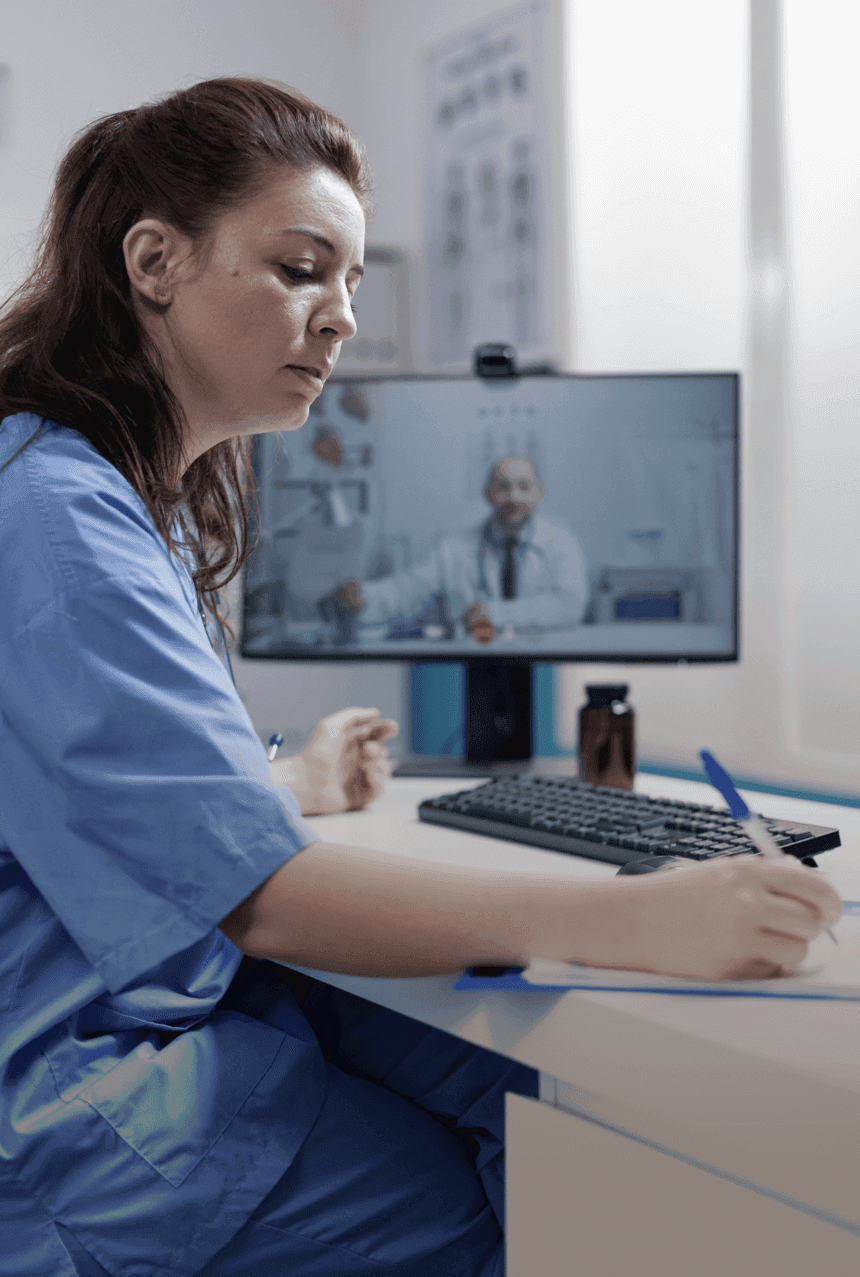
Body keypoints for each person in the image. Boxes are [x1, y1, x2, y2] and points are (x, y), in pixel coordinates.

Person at [0, 79, 841, 1277]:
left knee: (513, 1085)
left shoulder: (94, 491)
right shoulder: (58, 514)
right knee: (536, 1195)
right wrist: (635, 917)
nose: (339, 318)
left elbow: (91, 793)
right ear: (153, 261)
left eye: (349, 281)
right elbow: (261, 901)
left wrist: (277, 783)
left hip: (130, 1011)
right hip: (81, 1104)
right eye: (300, 268)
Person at [330, 453, 589, 643]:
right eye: (503, 487)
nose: (513, 497)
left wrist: (493, 613)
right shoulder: (453, 550)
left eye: (524, 487)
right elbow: (408, 591)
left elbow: (570, 605)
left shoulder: (562, 543)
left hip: (543, 665)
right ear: (487, 494)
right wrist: (363, 598)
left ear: (539, 493)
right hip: (472, 664)